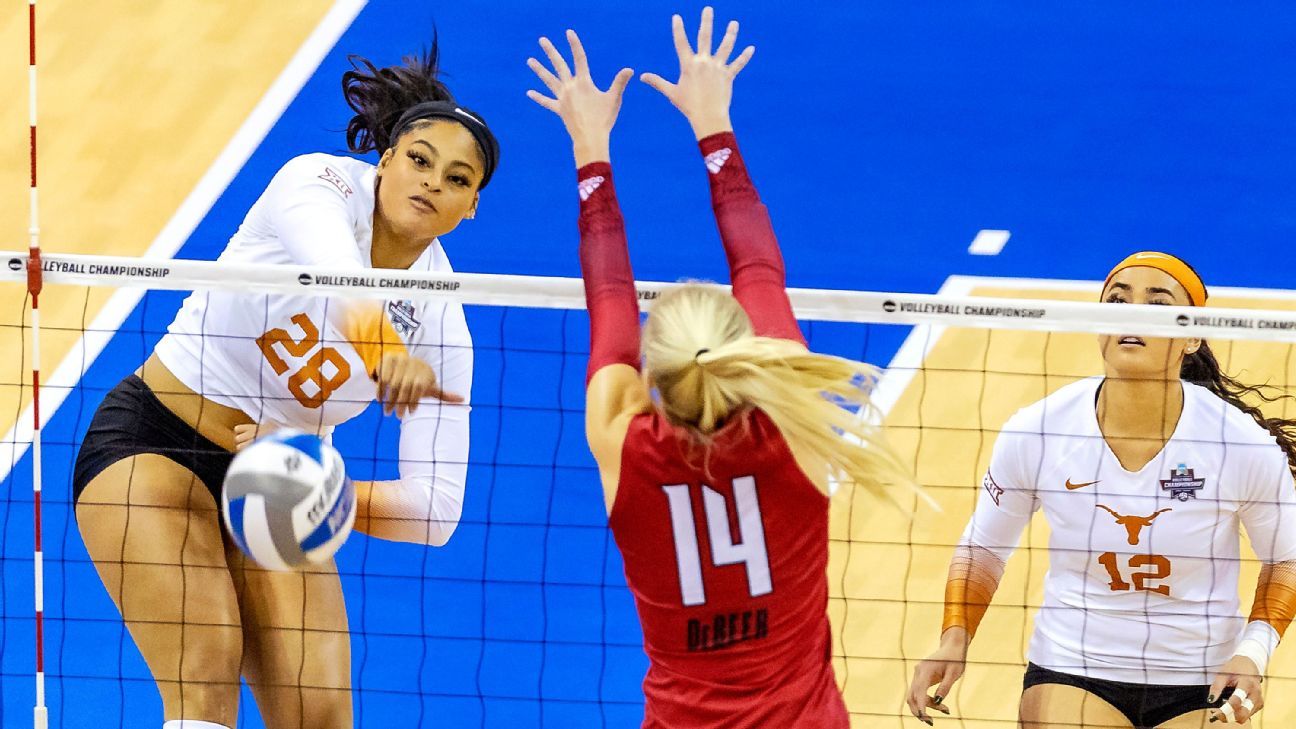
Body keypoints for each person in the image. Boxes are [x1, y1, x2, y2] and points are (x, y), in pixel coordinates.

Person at [72, 40, 494, 729]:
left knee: (320, 715)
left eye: (456, 178)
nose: (431, 183)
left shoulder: (443, 321)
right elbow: (339, 280)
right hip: (156, 444)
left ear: (471, 205)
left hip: (279, 490)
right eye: (419, 160)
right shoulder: (316, 186)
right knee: (206, 671)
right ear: (385, 158)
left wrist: (321, 490)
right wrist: (384, 351)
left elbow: (436, 508)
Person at [527, 8, 920, 727]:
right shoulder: (794, 420)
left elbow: (608, 292)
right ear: (748, 348)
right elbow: (757, 262)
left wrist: (591, 149)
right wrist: (713, 124)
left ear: (651, 369)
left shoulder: (620, 436)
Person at [906, 251, 1296, 728]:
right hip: (1074, 666)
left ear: (1193, 334)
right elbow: (984, 546)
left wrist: (1252, 654)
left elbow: (1286, 560)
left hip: (1203, 674)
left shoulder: (1239, 444)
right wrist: (955, 637)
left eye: (1157, 304)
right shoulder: (1040, 430)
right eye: (1118, 300)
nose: (1132, 314)